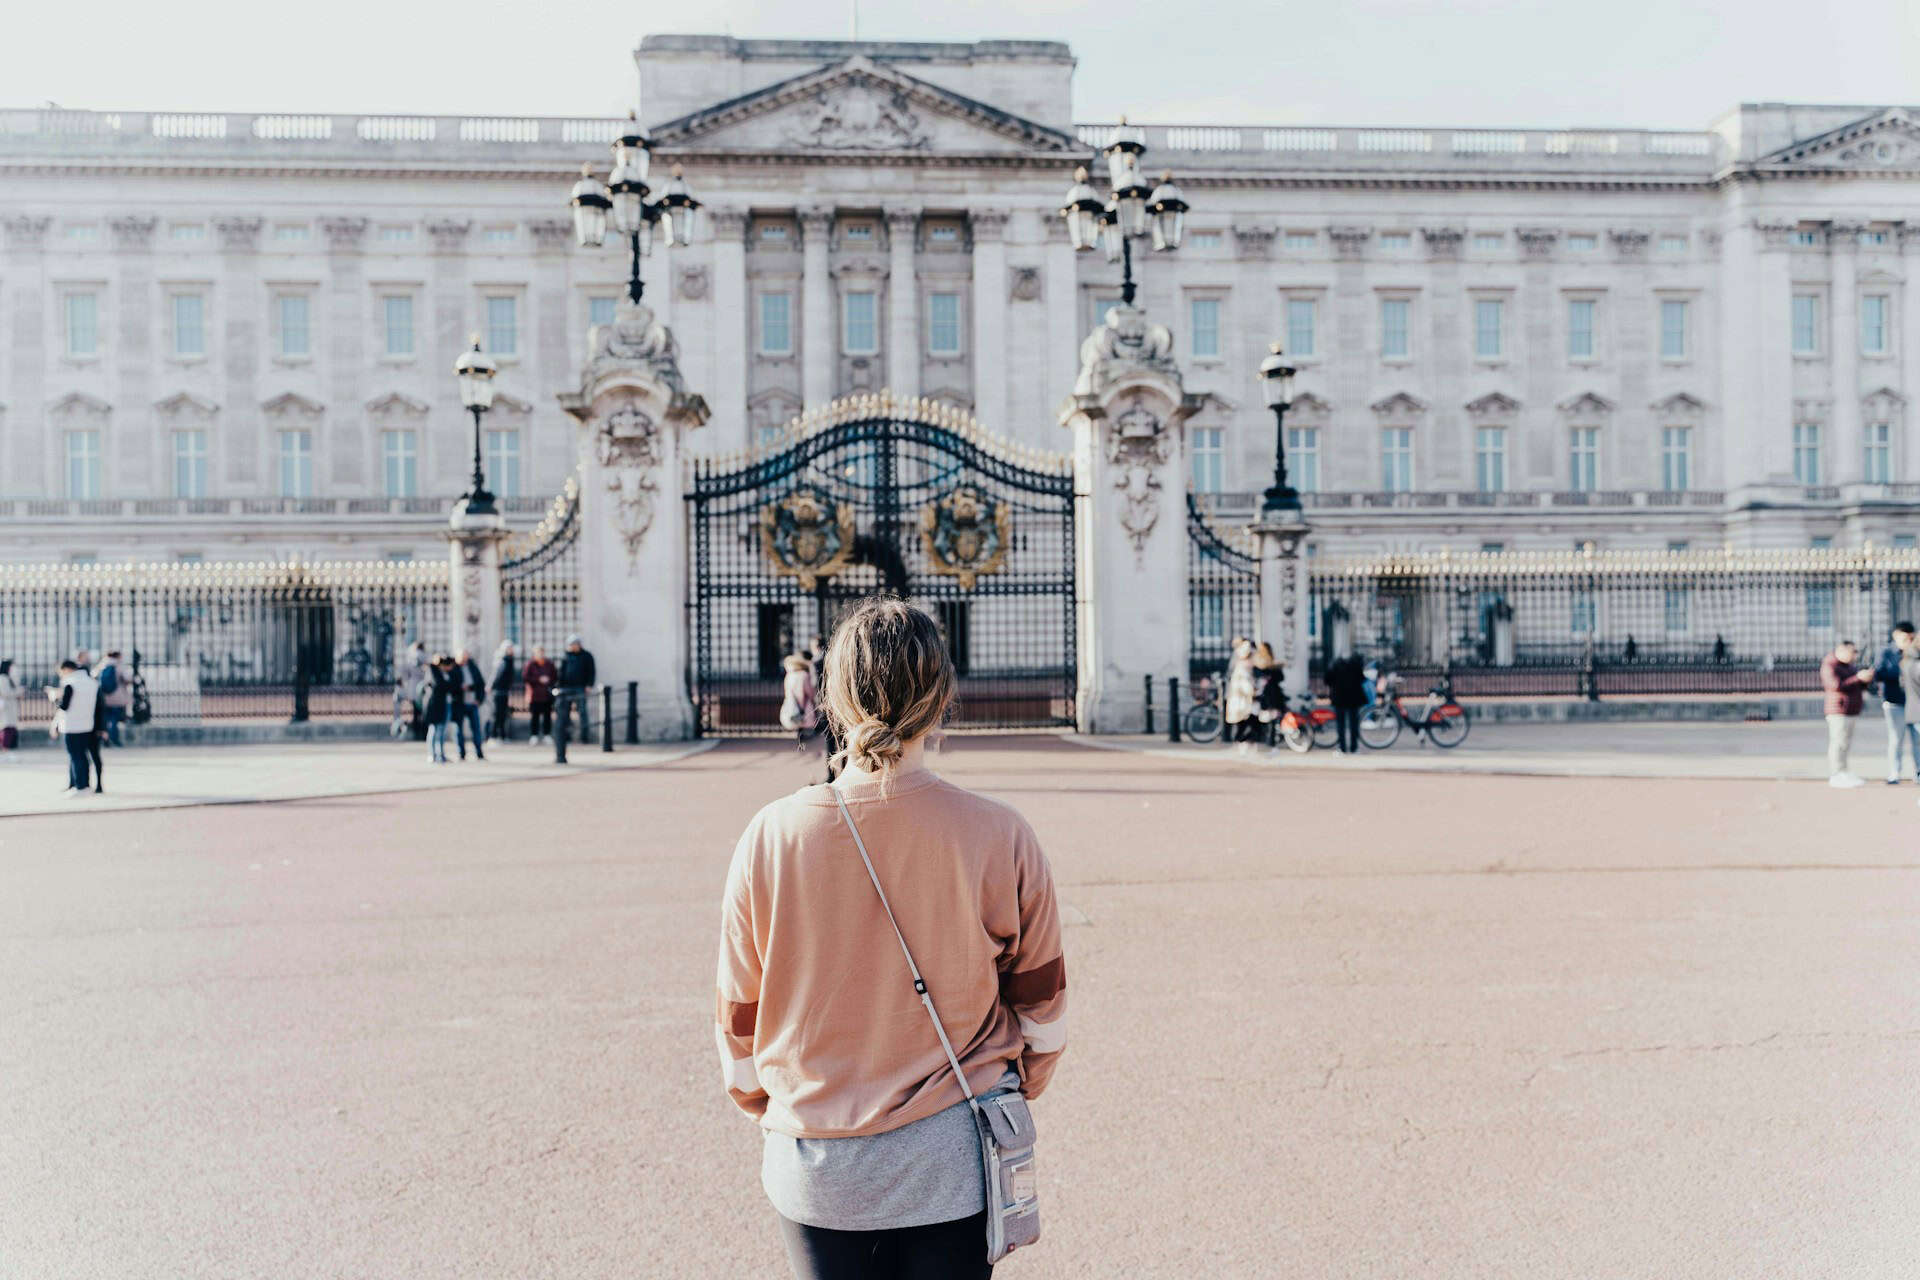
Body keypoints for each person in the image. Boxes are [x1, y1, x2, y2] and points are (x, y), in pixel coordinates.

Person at [715, 596, 1066, 1280]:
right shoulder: (999, 833)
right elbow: (1043, 1005)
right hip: (952, 1149)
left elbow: (738, 1015)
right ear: (940, 701)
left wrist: (773, 1107)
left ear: (832, 701)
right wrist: (1020, 1084)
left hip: (816, 1158)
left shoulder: (770, 835)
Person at [1821, 638, 1874, 788]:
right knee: (1838, 742)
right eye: (1853, 652)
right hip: (1838, 710)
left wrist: (1864, 680)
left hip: (1851, 709)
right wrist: (1857, 678)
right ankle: (1836, 773)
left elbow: (1855, 685)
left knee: (1845, 742)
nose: (1855, 655)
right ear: (1841, 651)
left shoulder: (1849, 666)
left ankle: (1843, 771)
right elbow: (1835, 685)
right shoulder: (1830, 665)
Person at [1872, 622, 1918, 784]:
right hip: (1894, 702)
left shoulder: (1916, 653)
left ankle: (1918, 773)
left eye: (1912, 637)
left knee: (1917, 740)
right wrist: (1903, 666)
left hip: (1915, 704)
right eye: (1906, 637)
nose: (1909, 641)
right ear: (1896, 636)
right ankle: (1894, 773)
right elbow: (1879, 673)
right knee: (1896, 740)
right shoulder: (1886, 652)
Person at [48, 660, 99, 794]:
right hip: (87, 724)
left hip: (71, 725)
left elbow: (64, 706)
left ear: (66, 669)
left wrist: (54, 698)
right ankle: (79, 784)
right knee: (82, 756)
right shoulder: (91, 682)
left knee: (75, 756)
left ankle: (79, 786)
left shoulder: (70, 684)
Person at [553, 634, 595, 764]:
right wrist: (558, 687)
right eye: (571, 645)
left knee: (582, 711)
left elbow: (591, 671)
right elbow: (560, 673)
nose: (573, 647)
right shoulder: (566, 656)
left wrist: (589, 685)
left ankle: (584, 736)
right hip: (566, 689)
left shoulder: (586, 656)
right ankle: (566, 737)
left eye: (575, 644)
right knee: (563, 715)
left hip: (580, 687)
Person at [1325, 650, 1369, 755]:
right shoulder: (1355, 665)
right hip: (1353, 698)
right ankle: (1354, 748)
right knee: (1353, 724)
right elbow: (1362, 679)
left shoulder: (1335, 665)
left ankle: (1342, 748)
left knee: (1341, 725)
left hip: (1339, 698)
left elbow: (1327, 680)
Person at [1224, 637, 1258, 755]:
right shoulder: (1243, 667)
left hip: (1243, 701)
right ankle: (1242, 744)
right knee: (1246, 723)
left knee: (1245, 723)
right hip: (1243, 701)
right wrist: (1253, 691)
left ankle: (1243, 744)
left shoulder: (1242, 666)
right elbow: (1245, 685)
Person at [452, 648, 487, 761]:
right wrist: (460, 687)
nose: (463, 658)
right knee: (458, 730)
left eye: (465, 656)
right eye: (461, 656)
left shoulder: (473, 667)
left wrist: (479, 699)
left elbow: (481, 683)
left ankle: (479, 753)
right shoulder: (454, 668)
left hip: (472, 703)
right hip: (459, 703)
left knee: (476, 729)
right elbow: (451, 685)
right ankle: (461, 753)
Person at [778, 651, 819, 748]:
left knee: (798, 722)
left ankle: (800, 741)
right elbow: (810, 692)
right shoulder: (804, 675)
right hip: (804, 704)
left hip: (792, 704)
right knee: (804, 723)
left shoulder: (789, 675)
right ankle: (803, 742)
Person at [424, 654, 455, 764]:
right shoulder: (432, 671)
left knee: (441, 730)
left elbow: (451, 685)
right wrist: (448, 685)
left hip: (444, 703)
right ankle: (432, 754)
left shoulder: (445, 673)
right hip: (435, 705)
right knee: (434, 730)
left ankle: (441, 754)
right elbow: (440, 685)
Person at [96, 649, 131, 747]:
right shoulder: (119, 665)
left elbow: (93, 677)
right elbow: (127, 678)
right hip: (117, 698)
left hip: (103, 698)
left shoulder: (101, 665)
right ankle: (114, 739)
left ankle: (105, 740)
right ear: (118, 656)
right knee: (114, 720)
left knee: (105, 720)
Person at [523, 645, 556, 745]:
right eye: (538, 652)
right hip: (534, 695)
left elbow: (555, 676)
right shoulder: (530, 664)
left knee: (547, 716)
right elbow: (525, 677)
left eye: (542, 652)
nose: (540, 654)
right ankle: (534, 735)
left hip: (546, 694)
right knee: (535, 716)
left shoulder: (549, 664)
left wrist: (548, 680)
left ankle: (547, 735)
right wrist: (538, 679)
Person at [489, 640, 517, 743]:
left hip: (505, 690)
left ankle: (502, 736)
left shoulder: (510, 660)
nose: (512, 650)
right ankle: (493, 736)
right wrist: (490, 686)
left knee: (504, 715)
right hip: (498, 691)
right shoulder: (501, 660)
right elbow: (495, 675)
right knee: (496, 714)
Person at [0, 658, 20, 763]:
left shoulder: (9, 678)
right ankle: (5, 752)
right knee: (6, 729)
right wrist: (18, 692)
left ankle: (9, 752)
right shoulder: (2, 678)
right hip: (6, 707)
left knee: (10, 728)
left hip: (10, 707)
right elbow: (6, 693)